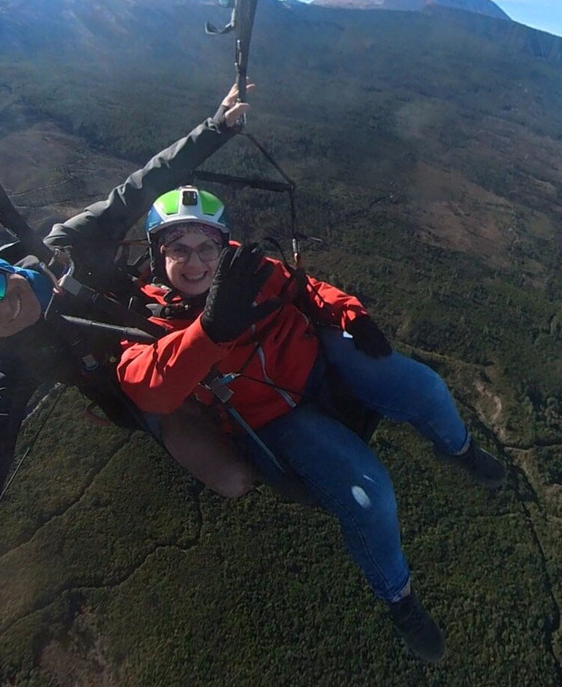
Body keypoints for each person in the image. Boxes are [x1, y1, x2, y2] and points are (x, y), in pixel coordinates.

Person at [0, 85, 258, 644]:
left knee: (268, 357)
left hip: (174, 316)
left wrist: (217, 128)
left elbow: (141, 187)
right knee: (235, 478)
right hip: (148, 390)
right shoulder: (11, 358)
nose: (2, 311)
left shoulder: (66, 247)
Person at [117, 185, 507, 664]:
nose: (195, 262)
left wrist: (351, 314)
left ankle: (462, 450)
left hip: (318, 364)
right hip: (274, 418)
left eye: (206, 247)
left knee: (423, 386)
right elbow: (148, 387)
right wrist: (209, 330)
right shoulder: (144, 319)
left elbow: (305, 289)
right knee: (371, 496)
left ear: (224, 247)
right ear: (157, 255)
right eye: (179, 249)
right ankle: (399, 600)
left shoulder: (247, 270)